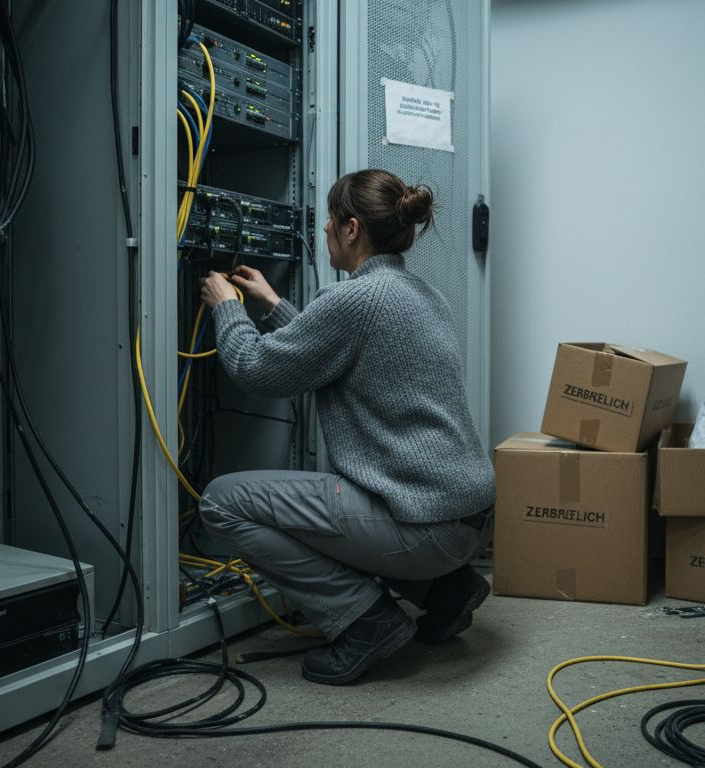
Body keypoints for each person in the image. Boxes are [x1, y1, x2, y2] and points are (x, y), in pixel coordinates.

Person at [195, 168, 495, 686]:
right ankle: (446, 592)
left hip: (424, 529)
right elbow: (336, 348)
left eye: (331, 220)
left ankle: (365, 620)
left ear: (351, 228)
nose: (325, 229)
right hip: (470, 521)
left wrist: (227, 309)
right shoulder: (422, 293)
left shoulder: (354, 299)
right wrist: (273, 305)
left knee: (221, 502)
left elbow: (255, 368)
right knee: (337, 511)